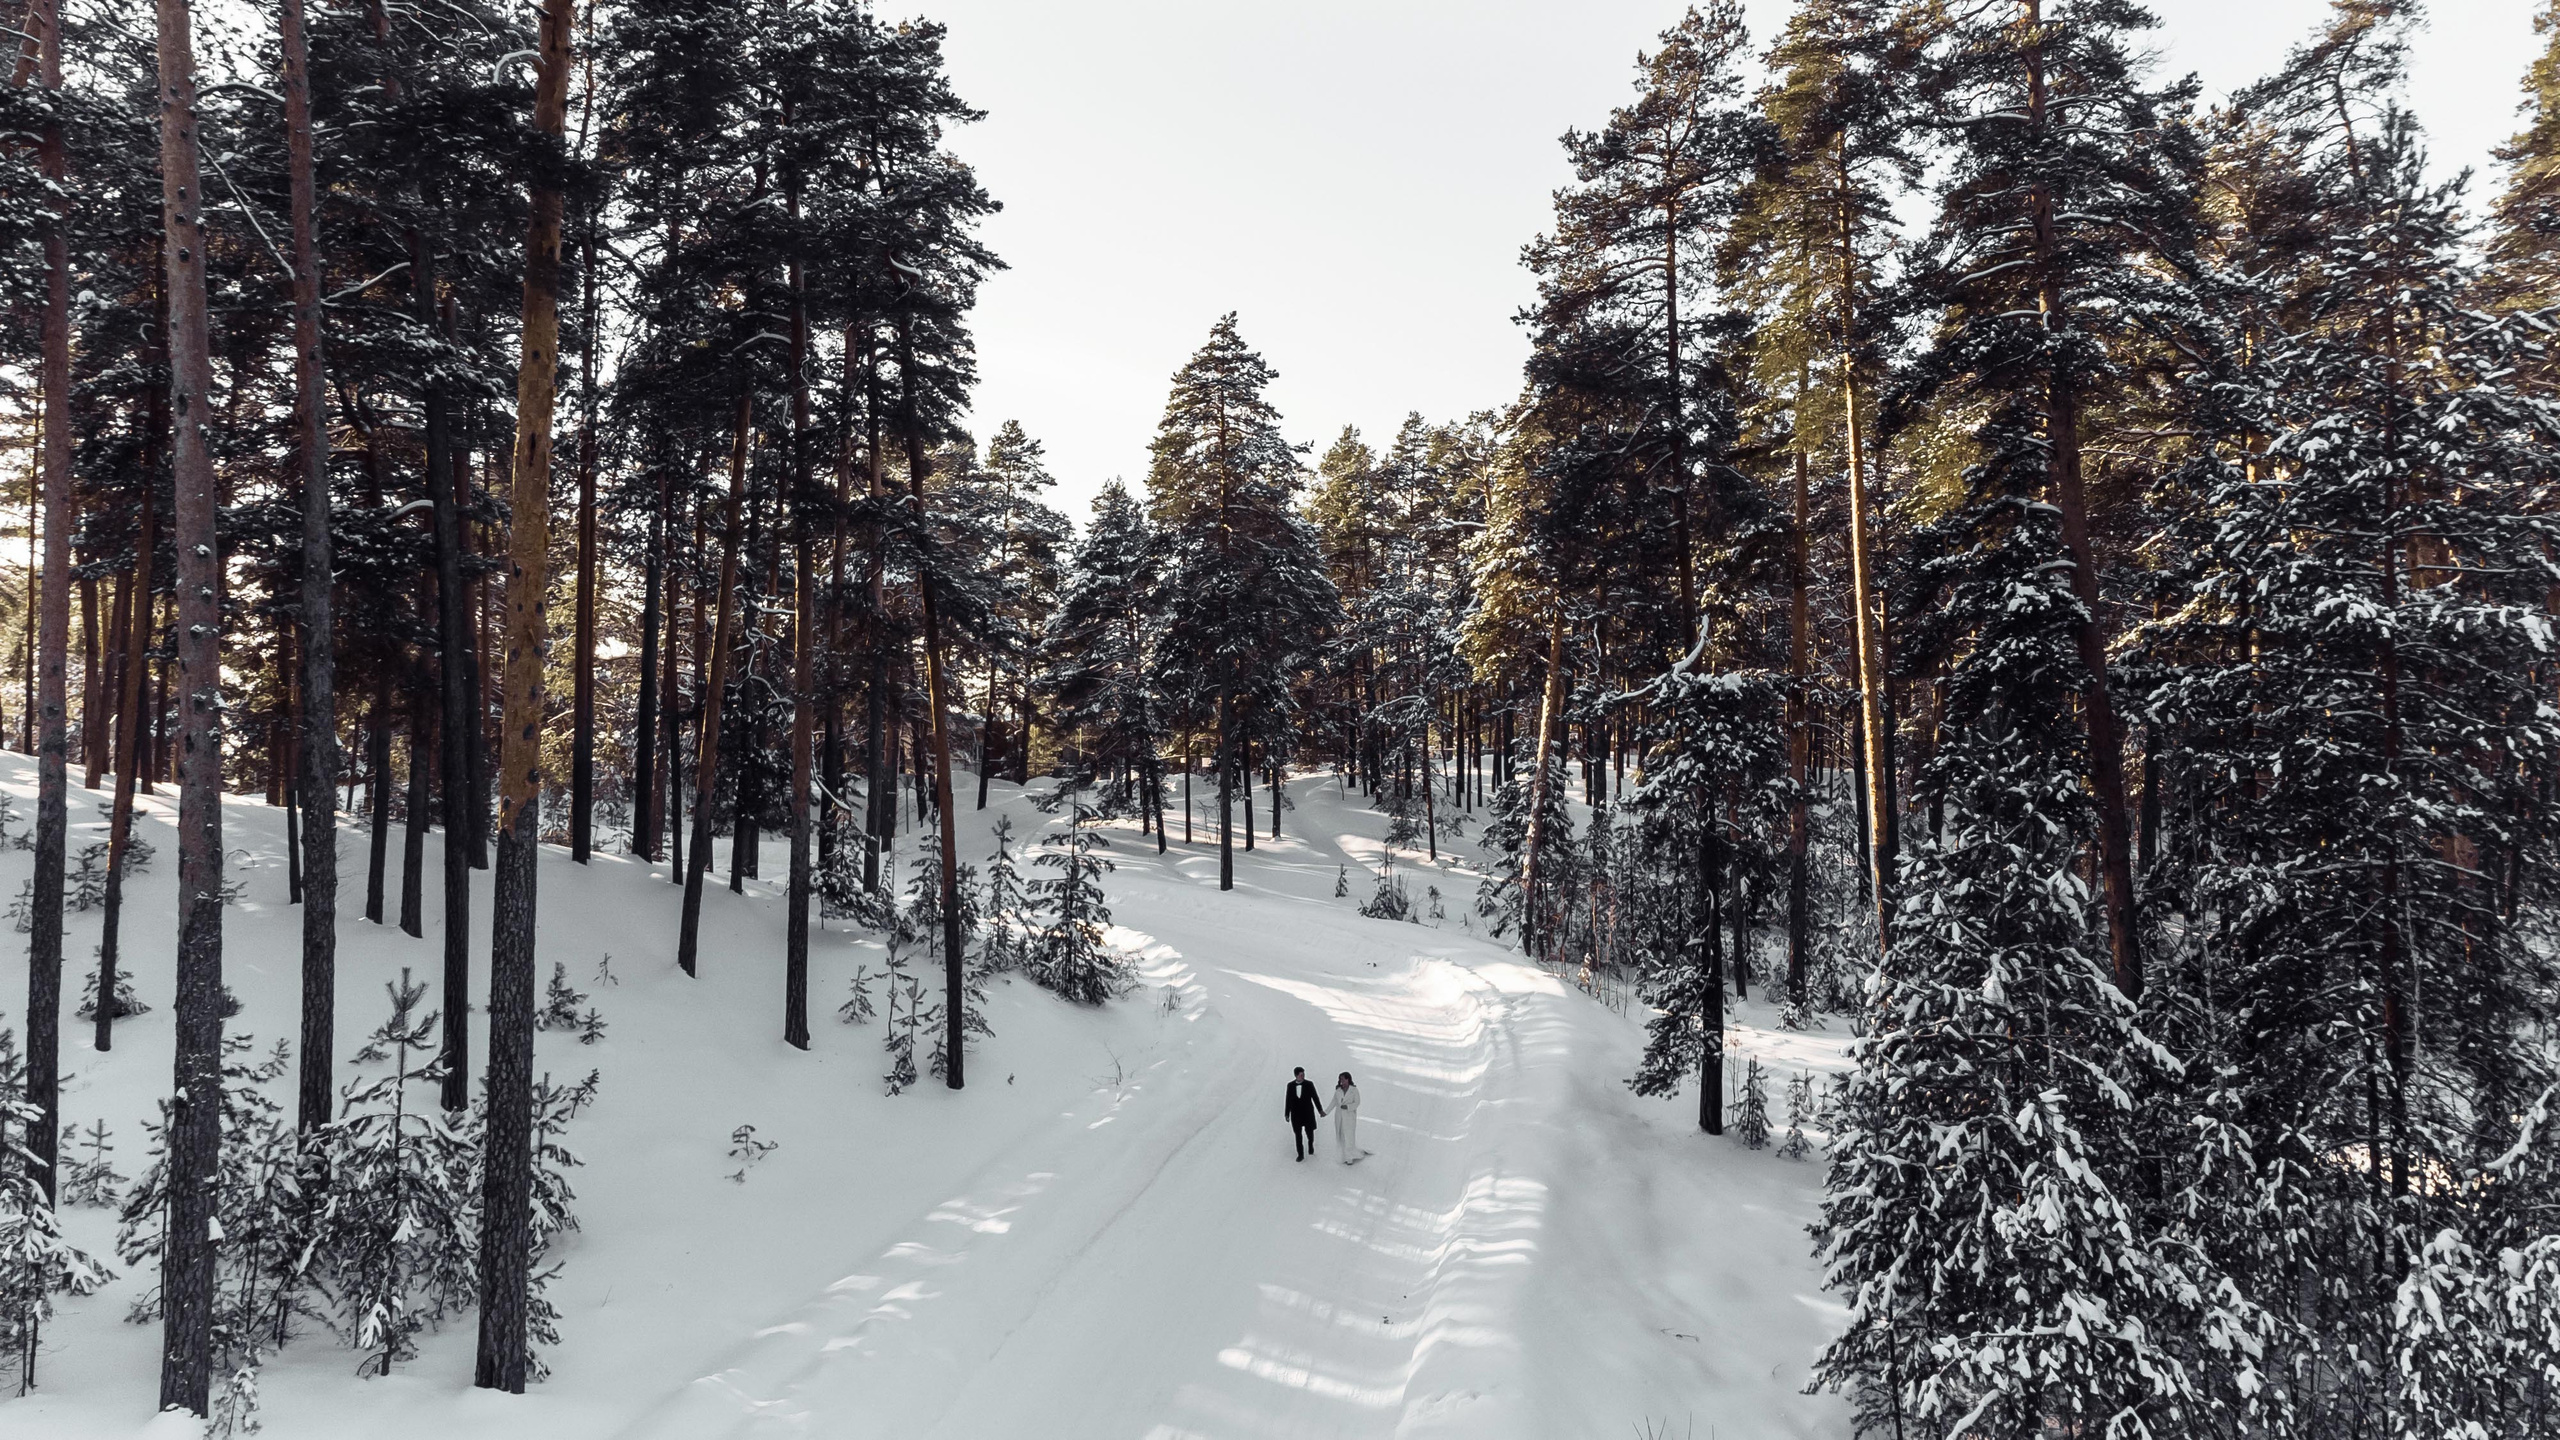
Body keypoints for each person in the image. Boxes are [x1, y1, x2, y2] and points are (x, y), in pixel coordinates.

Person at [1284, 1067, 1326, 1162]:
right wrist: (1287, 1113)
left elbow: (1315, 1097)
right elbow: (1288, 1100)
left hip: (1307, 1113)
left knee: (1310, 1133)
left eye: (1303, 1074)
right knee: (1298, 1134)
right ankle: (1300, 1154)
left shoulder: (1309, 1084)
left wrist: (1320, 1110)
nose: (1303, 1076)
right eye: (1301, 1075)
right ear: (1296, 1075)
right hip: (1295, 1114)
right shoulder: (1290, 1086)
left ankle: (1310, 1145)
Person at [1332, 1071, 1363, 1164]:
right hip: (1340, 1118)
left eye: (1342, 1079)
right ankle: (1344, 1156)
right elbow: (1333, 1102)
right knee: (1341, 1136)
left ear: (1348, 1079)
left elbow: (1357, 1102)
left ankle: (1350, 1157)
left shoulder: (1354, 1090)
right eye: (1340, 1079)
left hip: (1349, 1118)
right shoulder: (1338, 1090)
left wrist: (1348, 1107)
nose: (1341, 1081)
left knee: (1349, 1136)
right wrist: (1324, 1112)